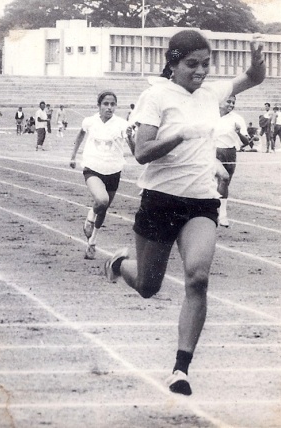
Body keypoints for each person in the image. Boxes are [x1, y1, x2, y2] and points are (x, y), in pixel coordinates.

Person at [105, 30, 265, 396]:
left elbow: (253, 79)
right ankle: (119, 264)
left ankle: (181, 368)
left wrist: (256, 61)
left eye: (206, 64)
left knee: (197, 278)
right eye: (192, 64)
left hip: (200, 202)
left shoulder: (212, 92)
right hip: (160, 199)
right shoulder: (156, 96)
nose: (200, 71)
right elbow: (142, 152)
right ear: (173, 63)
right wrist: (181, 134)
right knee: (148, 286)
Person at [69, 91, 134, 260]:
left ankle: (92, 242)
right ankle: (90, 217)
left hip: (113, 170)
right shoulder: (89, 121)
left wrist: (131, 137)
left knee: (104, 208)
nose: (109, 107)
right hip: (92, 167)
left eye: (113, 104)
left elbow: (134, 151)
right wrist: (73, 156)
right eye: (106, 104)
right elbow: (80, 135)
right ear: (99, 105)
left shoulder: (122, 124)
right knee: (102, 200)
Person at [214, 95, 249, 227]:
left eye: (233, 102)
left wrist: (239, 132)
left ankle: (219, 213)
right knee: (223, 177)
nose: (231, 104)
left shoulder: (237, 119)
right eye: (228, 101)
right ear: (220, 101)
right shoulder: (210, 115)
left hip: (230, 153)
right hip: (212, 152)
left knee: (224, 183)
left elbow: (246, 143)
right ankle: (221, 215)